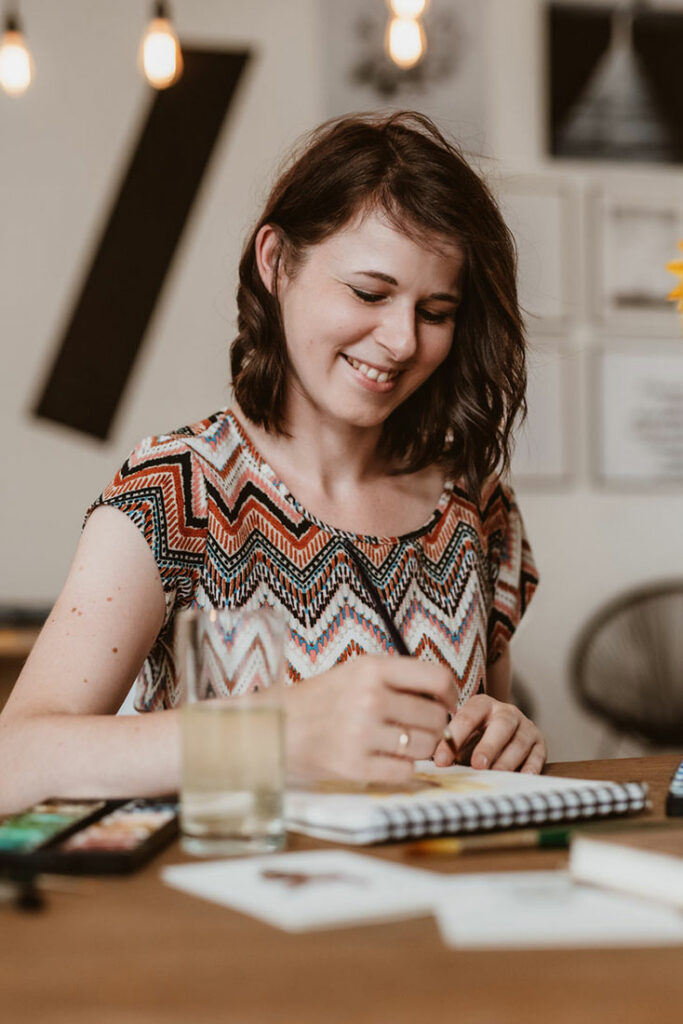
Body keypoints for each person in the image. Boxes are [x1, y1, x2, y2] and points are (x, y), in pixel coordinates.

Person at [0, 111, 545, 814]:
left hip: (427, 909)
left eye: (436, 310)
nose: (401, 340)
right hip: (222, 913)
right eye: (369, 293)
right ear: (275, 262)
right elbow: (15, 758)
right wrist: (275, 736)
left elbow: (475, 756)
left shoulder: (477, 501)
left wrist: (505, 737)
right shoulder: (178, 488)